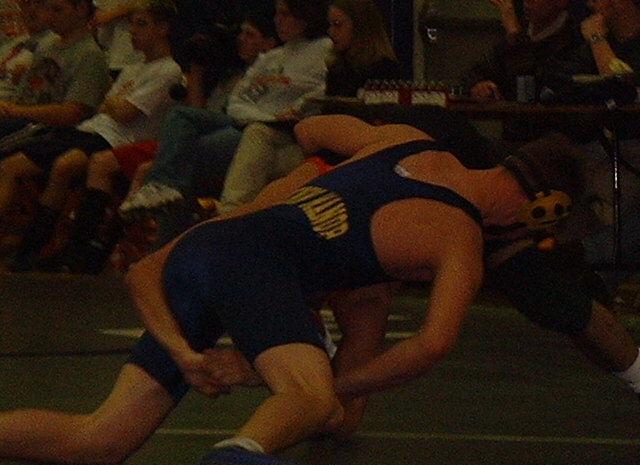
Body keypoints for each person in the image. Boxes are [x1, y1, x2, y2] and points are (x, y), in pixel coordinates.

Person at [0, 114, 638, 465]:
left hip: (208, 249)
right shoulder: (458, 238)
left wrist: (308, 182)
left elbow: (309, 127)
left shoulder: (401, 137)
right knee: (311, 396)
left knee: (100, 440)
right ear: (540, 207)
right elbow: (432, 345)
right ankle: (239, 454)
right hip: (256, 264)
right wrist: (326, 385)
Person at [28, 9, 279, 274]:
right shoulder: (226, 78)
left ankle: (97, 250)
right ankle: (58, 250)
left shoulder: (176, 71)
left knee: (123, 166)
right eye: (241, 34)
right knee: (53, 159)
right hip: (174, 138)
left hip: (145, 139)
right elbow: (198, 115)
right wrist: (196, 70)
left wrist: (113, 104)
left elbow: (125, 112)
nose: (240, 40)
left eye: (249, 35)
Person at [117, 0, 331, 241]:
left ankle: (170, 238)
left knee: (183, 158)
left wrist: (274, 118)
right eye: (277, 13)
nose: (277, 20)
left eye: (285, 14)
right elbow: (237, 101)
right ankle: (161, 190)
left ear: (305, 16)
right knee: (180, 116)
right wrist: (258, 116)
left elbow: (319, 94)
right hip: (245, 120)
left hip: (275, 131)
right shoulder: (272, 57)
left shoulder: (323, 51)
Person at [3, 0, 182, 272]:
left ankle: (66, 249)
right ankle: (32, 248)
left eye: (141, 24)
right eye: (132, 24)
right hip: (89, 130)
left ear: (163, 29)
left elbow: (124, 113)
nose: (132, 31)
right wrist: (113, 104)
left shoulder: (168, 70)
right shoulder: (133, 69)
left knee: (64, 166)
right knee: (15, 163)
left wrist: (113, 103)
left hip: (115, 140)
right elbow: (105, 106)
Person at [213, 0, 401, 216]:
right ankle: (230, 214)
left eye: (337, 25)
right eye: (329, 25)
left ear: (360, 26)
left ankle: (229, 216)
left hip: (352, 153)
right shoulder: (337, 67)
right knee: (257, 133)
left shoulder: (382, 69)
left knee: (260, 164)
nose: (331, 32)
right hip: (322, 146)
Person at [542, 0, 640, 303]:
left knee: (615, 195)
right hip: (597, 144)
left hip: (630, 147)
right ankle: (574, 271)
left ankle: (592, 277)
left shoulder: (599, 39)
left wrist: (598, 40)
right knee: (555, 168)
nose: (589, 4)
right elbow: (557, 80)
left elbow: (625, 87)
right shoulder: (588, 44)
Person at [460, 0, 582, 142]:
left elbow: (531, 90)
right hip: (513, 139)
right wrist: (480, 86)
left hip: (557, 140)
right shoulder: (521, 33)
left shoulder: (575, 38)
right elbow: (473, 74)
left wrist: (514, 36)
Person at [0, 0, 108, 137]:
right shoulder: (46, 45)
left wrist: (15, 111)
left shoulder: (90, 55)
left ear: (81, 8)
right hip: (18, 120)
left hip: (45, 131)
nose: (48, 16)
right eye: (46, 9)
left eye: (57, 10)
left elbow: (71, 114)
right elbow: (25, 93)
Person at [0, 0, 58, 102]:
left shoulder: (54, 45)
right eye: (26, 3)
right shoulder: (16, 42)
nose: (32, 10)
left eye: (38, 3)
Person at [92, 0, 144, 78]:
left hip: (132, 58)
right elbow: (98, 16)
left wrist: (115, 13)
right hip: (107, 54)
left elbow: (142, 5)